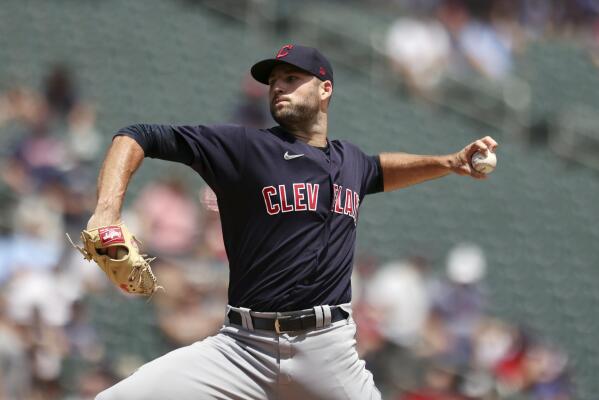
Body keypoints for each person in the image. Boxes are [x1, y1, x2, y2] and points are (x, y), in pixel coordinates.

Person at [90, 44, 498, 400]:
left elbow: (380, 168)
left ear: (325, 89)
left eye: (291, 77)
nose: (278, 87)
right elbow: (138, 134)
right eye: (273, 82)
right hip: (242, 349)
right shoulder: (247, 147)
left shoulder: (350, 161)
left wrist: (447, 163)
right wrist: (107, 211)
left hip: (326, 350)